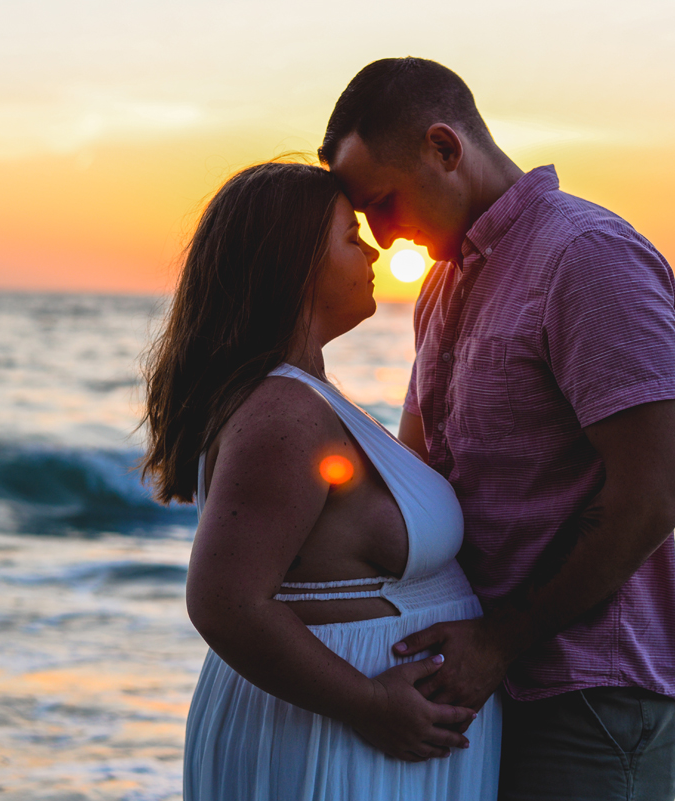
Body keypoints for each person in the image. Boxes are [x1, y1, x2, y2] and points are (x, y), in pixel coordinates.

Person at [319, 58, 675, 800]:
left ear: (445, 148)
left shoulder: (587, 258)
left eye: (384, 202)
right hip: (486, 683)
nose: (382, 234)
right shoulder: (442, 283)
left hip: (592, 690)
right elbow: (420, 478)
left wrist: (500, 640)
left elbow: (655, 493)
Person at [140, 161, 502, 800]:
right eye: (349, 236)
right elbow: (225, 602)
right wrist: (370, 704)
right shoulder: (285, 412)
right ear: (296, 262)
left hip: (353, 734)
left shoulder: (308, 398)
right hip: (333, 737)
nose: (374, 252)